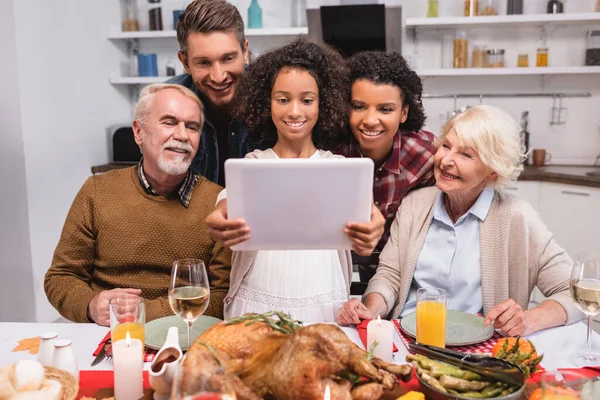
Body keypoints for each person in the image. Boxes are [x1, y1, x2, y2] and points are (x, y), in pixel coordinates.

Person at [336, 105, 584, 336]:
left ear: (492, 170)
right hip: (408, 338)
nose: (446, 160)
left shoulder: (517, 217)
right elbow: (389, 276)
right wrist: (371, 308)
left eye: (465, 154)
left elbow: (576, 293)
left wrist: (528, 320)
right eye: (446, 146)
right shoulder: (415, 204)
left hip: (481, 351)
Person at [205, 38, 385, 322]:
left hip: (325, 304)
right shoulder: (253, 164)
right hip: (255, 305)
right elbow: (225, 205)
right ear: (268, 103)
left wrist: (373, 227)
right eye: (283, 99)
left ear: (322, 104)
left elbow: (368, 212)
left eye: (307, 100)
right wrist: (217, 220)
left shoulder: (338, 168)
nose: (294, 111)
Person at [44, 84, 231, 325]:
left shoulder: (219, 202)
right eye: (169, 122)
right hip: (106, 331)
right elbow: (60, 277)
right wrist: (91, 305)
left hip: (185, 331)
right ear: (138, 132)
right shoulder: (96, 191)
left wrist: (144, 312)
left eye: (192, 127)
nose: (182, 135)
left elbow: (223, 296)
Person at [337, 51, 437, 281]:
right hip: (345, 270)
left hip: (409, 275)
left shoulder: (425, 153)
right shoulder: (331, 154)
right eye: (359, 106)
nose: (370, 120)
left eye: (385, 109)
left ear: (403, 113)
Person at [168, 0, 260, 186]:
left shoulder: (275, 96)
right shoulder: (166, 102)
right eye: (203, 62)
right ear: (184, 62)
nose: (218, 77)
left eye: (228, 58)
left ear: (245, 51)